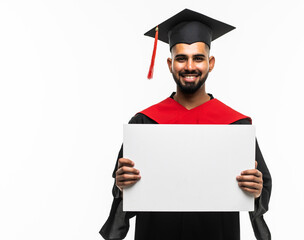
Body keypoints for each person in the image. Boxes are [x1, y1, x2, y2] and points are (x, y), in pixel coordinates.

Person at [100, 9, 272, 240]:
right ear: (170, 63)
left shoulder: (236, 126)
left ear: (210, 63)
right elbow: (122, 189)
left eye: (198, 58)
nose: (189, 66)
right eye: (181, 58)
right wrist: (122, 185)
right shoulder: (144, 123)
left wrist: (257, 190)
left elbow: (261, 187)